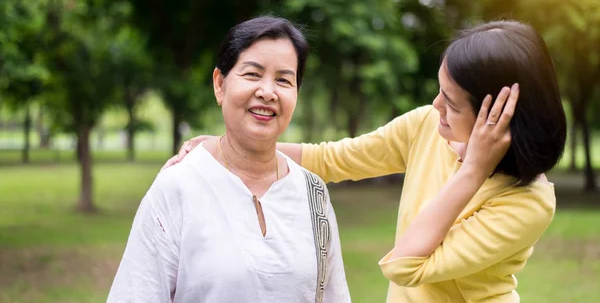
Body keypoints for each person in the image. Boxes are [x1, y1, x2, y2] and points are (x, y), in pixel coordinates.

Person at [167, 20, 567, 302]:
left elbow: (406, 264)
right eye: (439, 89)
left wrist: (473, 170)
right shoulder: (427, 126)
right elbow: (334, 159)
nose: (435, 105)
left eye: (451, 101)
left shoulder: (527, 202)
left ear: (492, 117)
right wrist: (226, 146)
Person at [108, 16, 351, 302]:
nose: (267, 92)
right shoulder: (177, 188)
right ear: (219, 85)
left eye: (284, 80)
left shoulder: (313, 193)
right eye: (252, 74)